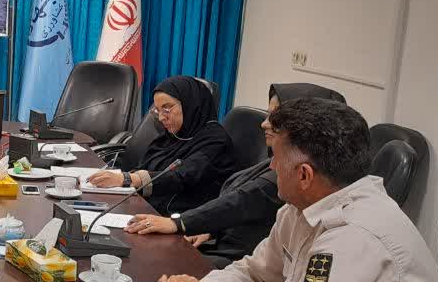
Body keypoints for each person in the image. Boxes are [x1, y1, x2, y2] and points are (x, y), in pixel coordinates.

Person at [156, 98, 438, 282]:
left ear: (304, 175)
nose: (271, 166)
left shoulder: (354, 235)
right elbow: (257, 274)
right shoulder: (302, 208)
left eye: (275, 157)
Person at [124, 83, 346, 267]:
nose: (264, 123)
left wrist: (178, 223)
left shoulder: (293, 173)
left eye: (275, 116)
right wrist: (211, 231)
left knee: (153, 263)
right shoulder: (275, 162)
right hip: (225, 249)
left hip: (235, 257)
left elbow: (243, 201)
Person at [88, 76, 235, 216]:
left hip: (180, 219)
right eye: (157, 111)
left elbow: (182, 176)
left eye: (167, 109)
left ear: (190, 104)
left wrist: (127, 179)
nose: (161, 117)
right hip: (147, 207)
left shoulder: (216, 141)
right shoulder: (174, 135)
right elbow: (146, 166)